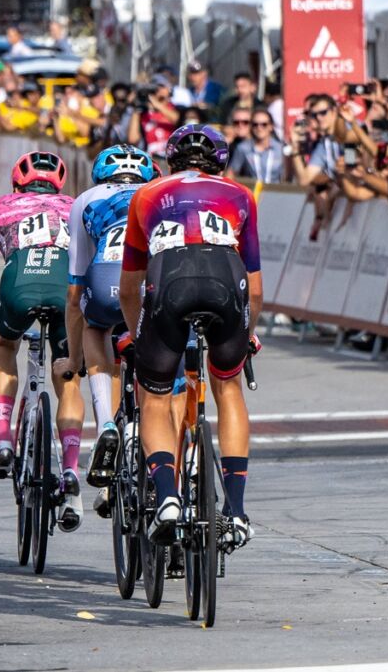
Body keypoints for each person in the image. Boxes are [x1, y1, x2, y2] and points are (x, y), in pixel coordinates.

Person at [120, 124, 263, 549]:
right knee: (228, 386)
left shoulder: (146, 195)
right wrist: (247, 333)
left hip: (170, 283)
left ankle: (167, 496)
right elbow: (254, 290)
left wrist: (137, 335)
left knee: (156, 396)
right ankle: (235, 512)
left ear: (168, 161)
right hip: (225, 283)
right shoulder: (241, 195)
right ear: (220, 162)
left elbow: (129, 288)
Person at [0, 150, 85, 530]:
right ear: (60, 184)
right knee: (68, 373)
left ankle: (5, 438)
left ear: (17, 184)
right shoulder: (76, 207)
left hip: (19, 284)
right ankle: (72, 470)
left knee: (6, 345)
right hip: (64, 291)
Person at [65, 144, 151, 512]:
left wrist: (73, 360)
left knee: (95, 328)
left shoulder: (85, 199)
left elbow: (75, 288)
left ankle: (105, 425)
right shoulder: (156, 194)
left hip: (105, 279)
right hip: (149, 283)